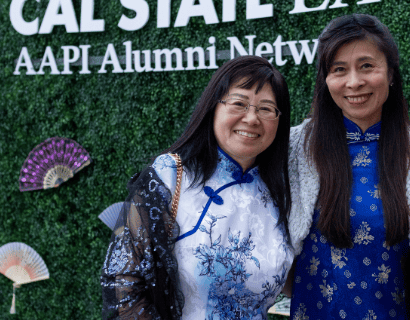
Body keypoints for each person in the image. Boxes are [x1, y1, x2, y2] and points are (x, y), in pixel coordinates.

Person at [101, 55, 293, 320]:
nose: (251, 118)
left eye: (266, 108)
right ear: (213, 107)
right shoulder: (169, 176)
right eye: (239, 103)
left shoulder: (280, 192)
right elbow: (123, 281)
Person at [287, 14, 410, 320]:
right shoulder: (294, 148)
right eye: (339, 70)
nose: (354, 82)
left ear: (391, 74)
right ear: (325, 79)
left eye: (367, 66)